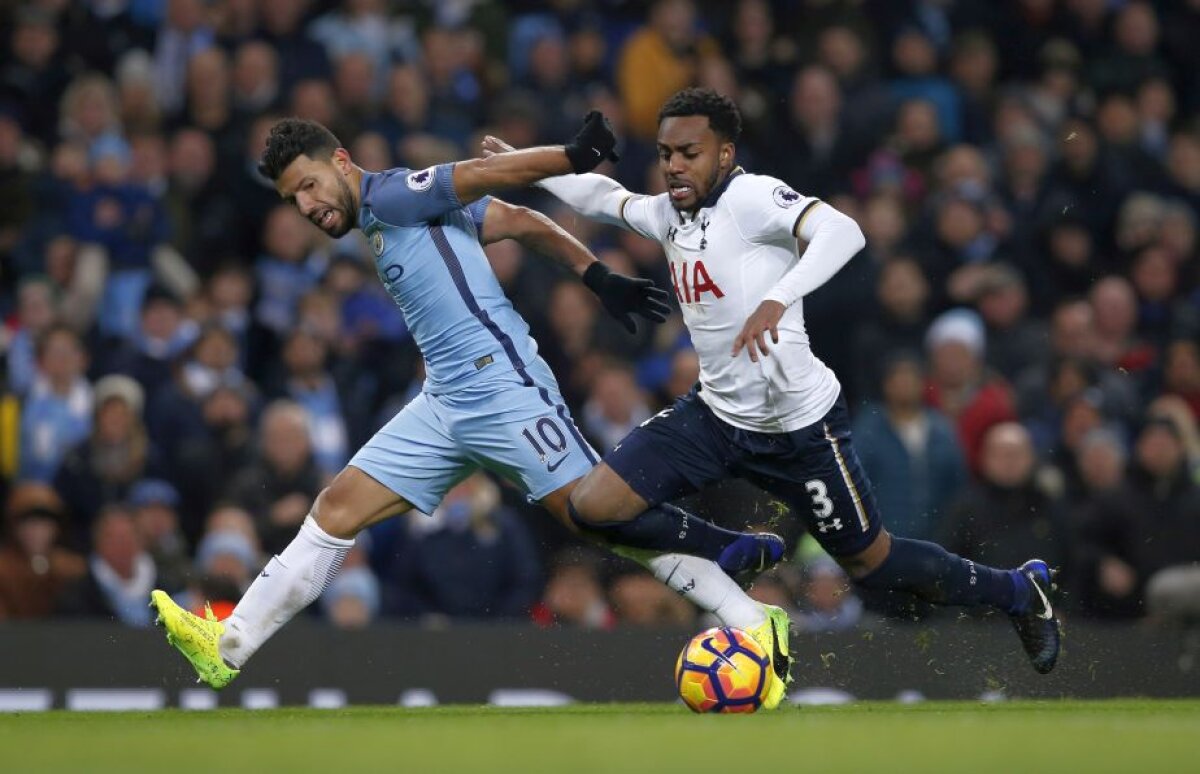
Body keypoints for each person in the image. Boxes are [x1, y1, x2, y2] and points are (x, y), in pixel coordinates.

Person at [150, 114, 793, 706]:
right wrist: (596, 275)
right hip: (444, 401)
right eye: (294, 199)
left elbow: (485, 173)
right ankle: (228, 646)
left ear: (341, 161)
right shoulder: (387, 218)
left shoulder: (395, 194)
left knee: (598, 517)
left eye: (310, 185)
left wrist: (570, 158)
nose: (307, 207)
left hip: (504, 388)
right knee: (336, 509)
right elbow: (518, 220)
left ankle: (750, 613)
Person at [485, 87, 1062, 675]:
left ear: (725, 154)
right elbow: (606, 197)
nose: (674, 165)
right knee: (593, 506)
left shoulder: (752, 198)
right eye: (665, 153)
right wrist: (528, 164)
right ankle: (732, 549)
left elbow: (844, 231)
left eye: (689, 153)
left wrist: (778, 297)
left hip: (800, 429)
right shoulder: (669, 213)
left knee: (873, 563)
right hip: (715, 417)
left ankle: (1018, 591)